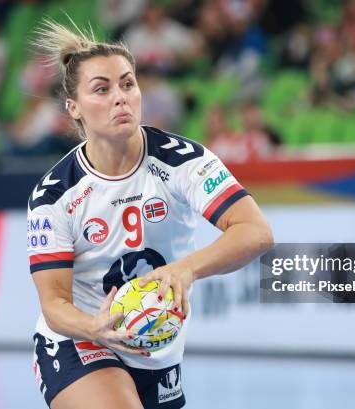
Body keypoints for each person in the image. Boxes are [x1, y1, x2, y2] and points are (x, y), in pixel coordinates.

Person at [27, 20, 274, 409]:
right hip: (83, 341)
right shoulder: (55, 196)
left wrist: (185, 269)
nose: (120, 97)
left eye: (128, 84)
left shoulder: (183, 162)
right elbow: (54, 303)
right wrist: (95, 326)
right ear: (73, 107)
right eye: (102, 89)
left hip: (156, 348)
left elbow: (256, 232)